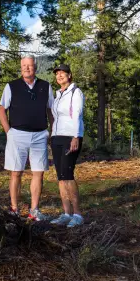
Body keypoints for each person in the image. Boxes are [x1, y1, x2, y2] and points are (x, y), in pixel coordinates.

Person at [0, 55, 54, 221]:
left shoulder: (46, 86)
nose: (27, 68)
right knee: (16, 173)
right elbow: (2, 109)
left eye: (30, 65)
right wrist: (8, 131)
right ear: (20, 67)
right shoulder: (11, 86)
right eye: (24, 66)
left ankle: (34, 210)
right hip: (17, 134)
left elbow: (50, 110)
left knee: (38, 173)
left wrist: (53, 131)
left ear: (35, 67)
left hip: (39, 135)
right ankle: (14, 209)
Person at [49, 64, 85, 228]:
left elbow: (77, 114)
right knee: (61, 177)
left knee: (68, 174)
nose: (60, 76)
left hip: (70, 137)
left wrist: (75, 136)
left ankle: (77, 214)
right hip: (56, 137)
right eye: (57, 74)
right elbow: (55, 118)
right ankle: (66, 213)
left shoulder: (75, 92)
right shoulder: (57, 95)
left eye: (63, 73)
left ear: (70, 75)